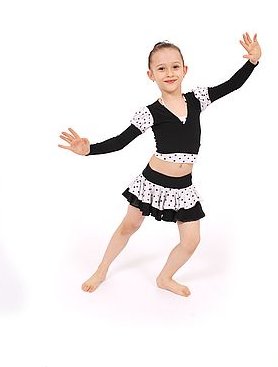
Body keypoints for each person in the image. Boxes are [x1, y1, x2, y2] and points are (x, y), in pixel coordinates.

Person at [59, 34, 260, 296]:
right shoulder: (150, 112)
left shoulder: (197, 99)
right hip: (152, 182)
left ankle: (165, 277)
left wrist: (253, 62)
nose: (169, 73)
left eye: (175, 66)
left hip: (183, 186)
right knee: (129, 226)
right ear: (150, 74)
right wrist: (89, 150)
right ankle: (101, 269)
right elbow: (121, 141)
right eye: (161, 68)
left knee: (191, 240)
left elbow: (232, 84)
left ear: (185, 70)